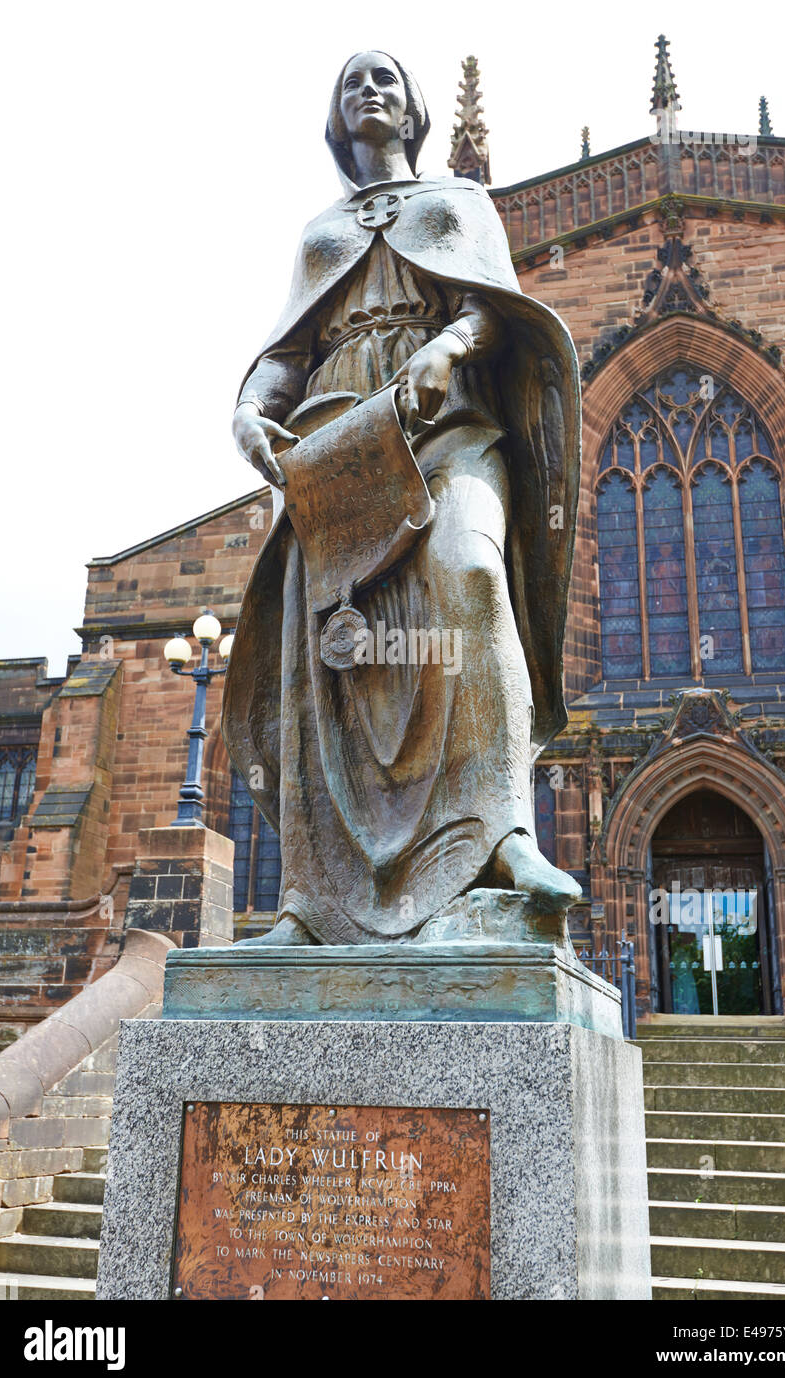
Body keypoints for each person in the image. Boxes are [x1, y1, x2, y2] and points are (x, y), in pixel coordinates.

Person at [222, 52, 581, 945]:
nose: (368, 90)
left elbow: (496, 307)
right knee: (326, 660)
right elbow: (284, 353)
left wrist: (450, 343)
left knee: (470, 571)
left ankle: (503, 837)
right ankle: (312, 901)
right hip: (336, 439)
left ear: (415, 109)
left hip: (447, 422)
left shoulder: (458, 203)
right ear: (336, 120)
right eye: (351, 84)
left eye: (384, 79)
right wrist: (246, 414)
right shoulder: (320, 230)